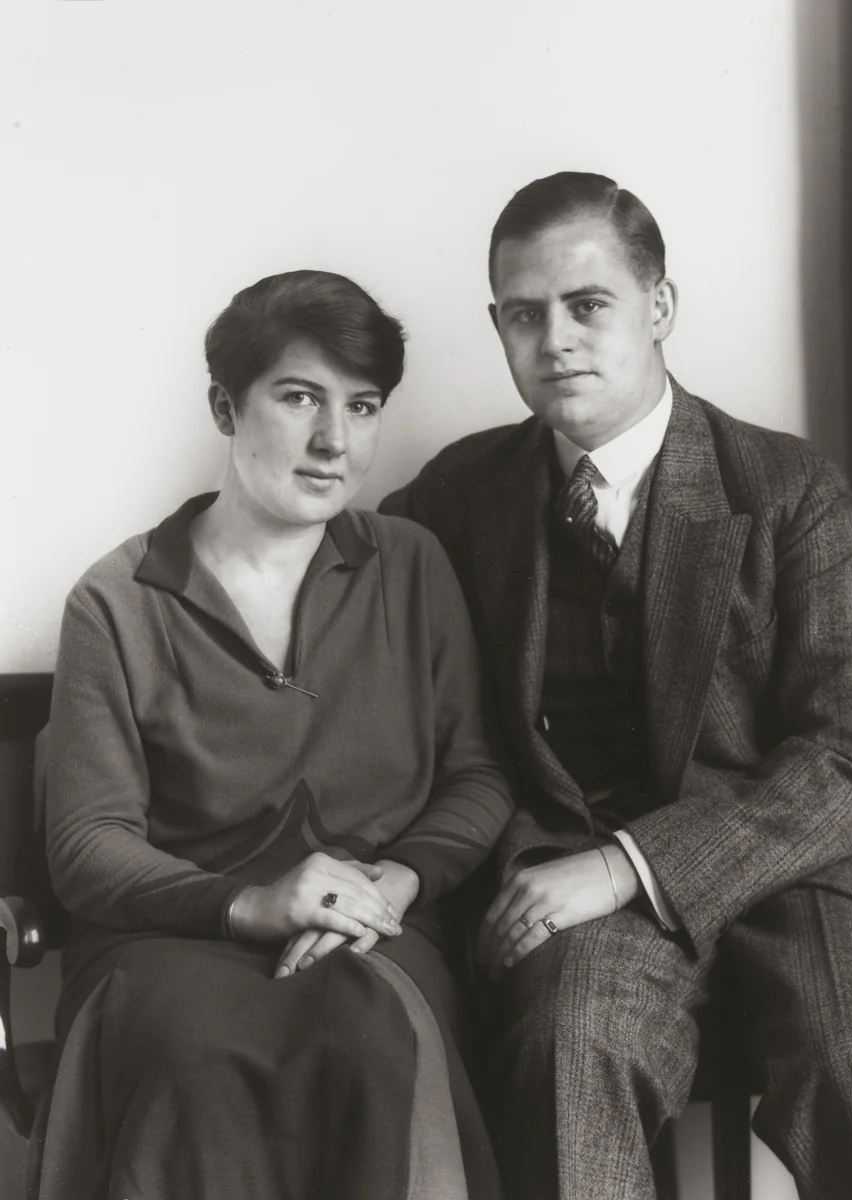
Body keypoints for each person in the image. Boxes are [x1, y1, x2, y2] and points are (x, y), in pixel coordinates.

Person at [381, 172, 852, 1200]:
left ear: (658, 308)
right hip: (567, 880)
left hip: (792, 869)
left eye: (587, 305)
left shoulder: (786, 489)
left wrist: (629, 865)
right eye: (524, 315)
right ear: (497, 326)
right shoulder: (456, 495)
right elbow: (337, 578)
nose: (555, 338)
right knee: (569, 1048)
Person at [42, 269, 512, 1200]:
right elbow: (87, 846)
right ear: (225, 406)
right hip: (164, 944)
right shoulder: (115, 600)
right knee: (188, 1056)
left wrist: (397, 880)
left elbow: (478, 776)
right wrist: (252, 905)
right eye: (299, 398)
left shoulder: (412, 566)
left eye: (363, 406)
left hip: (370, 932)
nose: (335, 441)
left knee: (375, 1044)